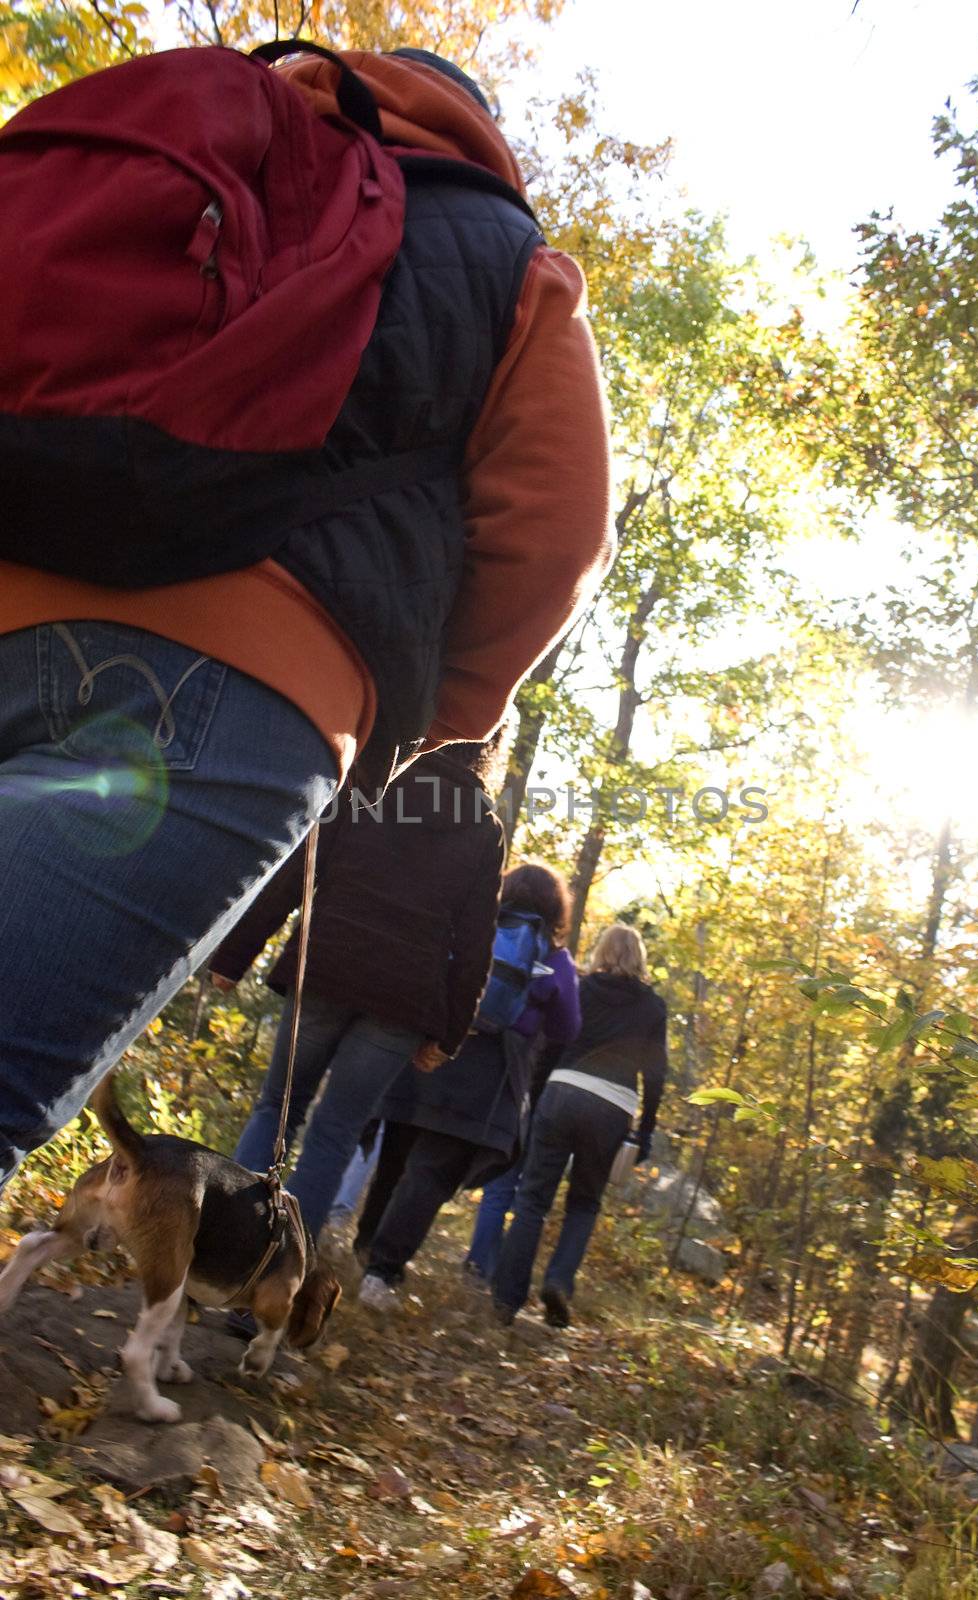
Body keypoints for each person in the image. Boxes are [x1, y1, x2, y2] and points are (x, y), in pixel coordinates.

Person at [0, 46, 612, 1193]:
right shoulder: (507, 258)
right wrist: (429, 716)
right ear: (476, 132)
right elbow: (557, 535)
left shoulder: (199, 139)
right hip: (249, 686)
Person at [209, 739, 506, 1243]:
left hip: (326, 968)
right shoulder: (483, 829)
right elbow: (477, 943)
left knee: (277, 1106)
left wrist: (236, 954)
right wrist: (450, 1035)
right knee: (335, 1133)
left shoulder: (369, 783)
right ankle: (272, 1277)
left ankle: (219, 1250)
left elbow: (299, 874)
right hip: (403, 1003)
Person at [355, 862, 580, 1312]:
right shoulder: (554, 960)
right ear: (557, 909)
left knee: (395, 1162)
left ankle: (364, 1252)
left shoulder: (474, 926)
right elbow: (567, 1026)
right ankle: (380, 1274)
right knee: (431, 1175)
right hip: (485, 1080)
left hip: (428, 1054)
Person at [492, 924, 668, 1329]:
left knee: (533, 1199)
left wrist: (533, 1099)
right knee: (585, 1203)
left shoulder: (581, 988)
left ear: (601, 952)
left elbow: (551, 1046)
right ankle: (558, 1282)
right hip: (612, 1107)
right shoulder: (653, 1007)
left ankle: (506, 1299)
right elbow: (656, 1073)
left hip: (563, 1092)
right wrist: (646, 1130)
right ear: (639, 958)